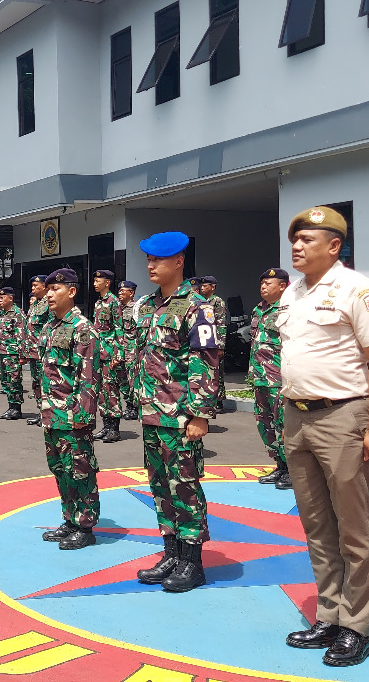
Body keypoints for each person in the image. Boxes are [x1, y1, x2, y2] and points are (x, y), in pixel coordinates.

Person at [278, 207, 369, 667]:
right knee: (317, 525)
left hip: (343, 416)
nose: (297, 247)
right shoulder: (293, 291)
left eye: (307, 239)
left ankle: (357, 626)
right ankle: (329, 613)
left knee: (355, 528)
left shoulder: (357, 289)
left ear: (334, 245)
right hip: (297, 417)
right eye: (295, 240)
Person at [133, 232, 220, 593]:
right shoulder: (151, 305)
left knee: (184, 486)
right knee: (160, 486)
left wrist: (201, 415)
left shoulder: (197, 307)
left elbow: (207, 361)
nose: (151, 265)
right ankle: (172, 551)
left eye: (159, 260)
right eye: (149, 260)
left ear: (179, 262)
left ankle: (192, 561)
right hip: (153, 412)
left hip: (181, 415)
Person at [37, 269, 102, 551]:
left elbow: (88, 378)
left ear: (71, 292)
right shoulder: (50, 326)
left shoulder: (82, 329)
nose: (49, 294)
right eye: (47, 289)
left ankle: (85, 526)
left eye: (55, 289)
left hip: (73, 416)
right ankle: (70, 519)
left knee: (80, 470)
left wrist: (83, 417)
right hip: (52, 414)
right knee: (60, 470)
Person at [250, 268, 291, 490]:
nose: (263, 287)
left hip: (280, 379)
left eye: (269, 283)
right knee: (264, 424)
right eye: (262, 283)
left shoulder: (289, 310)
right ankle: (280, 465)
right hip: (260, 378)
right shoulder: (259, 310)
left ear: (283, 286)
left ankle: (293, 470)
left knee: (285, 425)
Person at [92, 270, 124, 443]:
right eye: (94, 280)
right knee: (102, 392)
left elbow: (119, 329)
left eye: (98, 280)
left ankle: (115, 429)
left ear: (107, 283)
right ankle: (106, 426)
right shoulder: (99, 303)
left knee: (111, 390)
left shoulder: (114, 302)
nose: (95, 283)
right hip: (100, 352)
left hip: (110, 352)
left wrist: (118, 354)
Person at [0, 287, 28, 420]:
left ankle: (17, 409)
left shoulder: (17, 314)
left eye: (2, 298)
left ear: (11, 298)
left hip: (13, 354)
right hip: (4, 353)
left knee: (14, 380)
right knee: (6, 381)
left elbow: (21, 336)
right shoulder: (3, 314)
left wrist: (22, 355)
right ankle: (11, 407)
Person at [25, 275, 53, 426]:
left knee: (46, 384)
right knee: (36, 383)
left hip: (43, 352)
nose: (33, 289)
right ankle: (40, 412)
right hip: (33, 351)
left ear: (44, 286)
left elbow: (52, 327)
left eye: (36, 286)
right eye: (32, 286)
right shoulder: (35, 304)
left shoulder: (49, 303)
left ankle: (48, 414)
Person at [200, 277, 229, 410]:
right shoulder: (201, 301)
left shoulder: (217, 302)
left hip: (215, 341)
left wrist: (221, 345)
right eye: (202, 286)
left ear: (213, 287)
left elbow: (221, 323)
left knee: (217, 371)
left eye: (206, 286)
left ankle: (219, 400)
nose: (202, 288)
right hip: (204, 340)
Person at [119, 280, 141, 421]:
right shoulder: (117, 307)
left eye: (123, 291)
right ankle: (128, 403)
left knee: (132, 378)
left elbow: (139, 330)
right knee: (122, 379)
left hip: (131, 348)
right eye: (119, 291)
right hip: (119, 347)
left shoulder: (136, 308)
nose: (120, 293)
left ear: (131, 293)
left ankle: (134, 406)